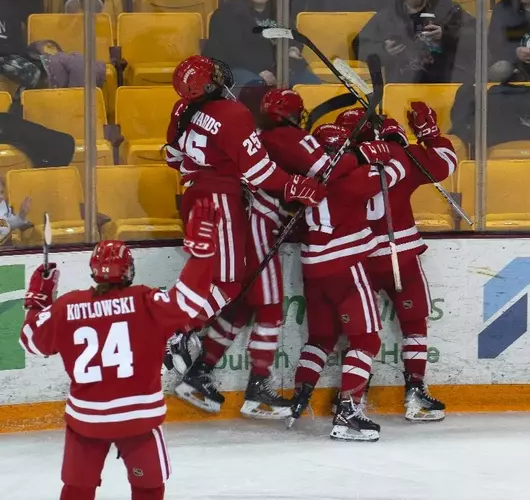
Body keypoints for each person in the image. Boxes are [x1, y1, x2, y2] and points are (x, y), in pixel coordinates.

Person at [18, 198, 225, 500]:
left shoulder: (68, 306)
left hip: (87, 420)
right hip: (138, 419)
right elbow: (190, 302)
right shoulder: (145, 301)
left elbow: (31, 341)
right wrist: (202, 256)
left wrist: (38, 300)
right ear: (129, 271)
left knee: (77, 489)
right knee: (149, 488)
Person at [165, 57, 325, 410]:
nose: (222, 76)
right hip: (218, 200)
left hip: (192, 197)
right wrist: (295, 184)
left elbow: (173, 158)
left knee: (223, 286)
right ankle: (177, 331)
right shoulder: (231, 114)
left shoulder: (182, 110)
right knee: (228, 285)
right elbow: (259, 173)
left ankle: (190, 353)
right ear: (206, 86)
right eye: (214, 76)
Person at [289, 121, 411, 442]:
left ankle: (300, 396)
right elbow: (399, 169)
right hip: (345, 264)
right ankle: (348, 412)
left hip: (312, 267)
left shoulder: (304, 178)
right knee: (367, 340)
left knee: (321, 337)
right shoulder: (354, 179)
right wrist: (389, 143)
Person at [336, 103, 457, 422]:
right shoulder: (399, 155)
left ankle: (354, 398)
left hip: (357, 257)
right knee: (414, 322)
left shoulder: (339, 164)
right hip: (398, 254)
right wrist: (426, 132)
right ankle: (415, 392)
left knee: (362, 332)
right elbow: (446, 164)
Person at [353, 0, 475, 83]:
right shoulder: (388, 16)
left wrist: (445, 34)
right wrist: (383, 51)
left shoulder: (448, 10)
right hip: (402, 85)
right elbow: (359, 46)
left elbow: (476, 36)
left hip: (443, 84)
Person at [203, 0, 321, 91]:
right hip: (241, 67)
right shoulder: (229, 12)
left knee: (312, 84)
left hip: (279, 68)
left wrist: (294, 48)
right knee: (257, 86)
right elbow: (232, 51)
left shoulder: (278, 11)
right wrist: (259, 70)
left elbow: (293, 35)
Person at [0, 0, 43, 97]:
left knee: (35, 72)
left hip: (6, 57)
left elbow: (15, 41)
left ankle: (17, 105)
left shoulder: (8, 9)